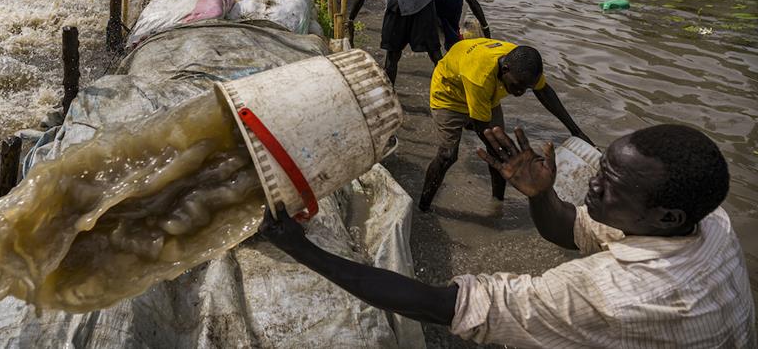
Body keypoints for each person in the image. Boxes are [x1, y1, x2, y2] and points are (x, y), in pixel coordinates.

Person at [260, 123, 755, 348]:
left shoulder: (606, 295)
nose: (593, 184)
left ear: (666, 217)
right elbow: (572, 231)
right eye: (600, 167)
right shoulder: (710, 223)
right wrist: (542, 195)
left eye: (611, 183)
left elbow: (442, 306)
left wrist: (306, 250)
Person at [418, 39, 592, 212]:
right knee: (448, 155)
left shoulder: (523, 66)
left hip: (486, 93)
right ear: (505, 69)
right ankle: (423, 207)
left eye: (526, 89)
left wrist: (576, 131)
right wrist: (513, 159)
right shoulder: (480, 75)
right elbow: (484, 130)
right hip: (450, 95)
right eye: (517, 86)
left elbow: (544, 91)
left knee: (500, 154)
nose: (520, 93)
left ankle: (497, 204)